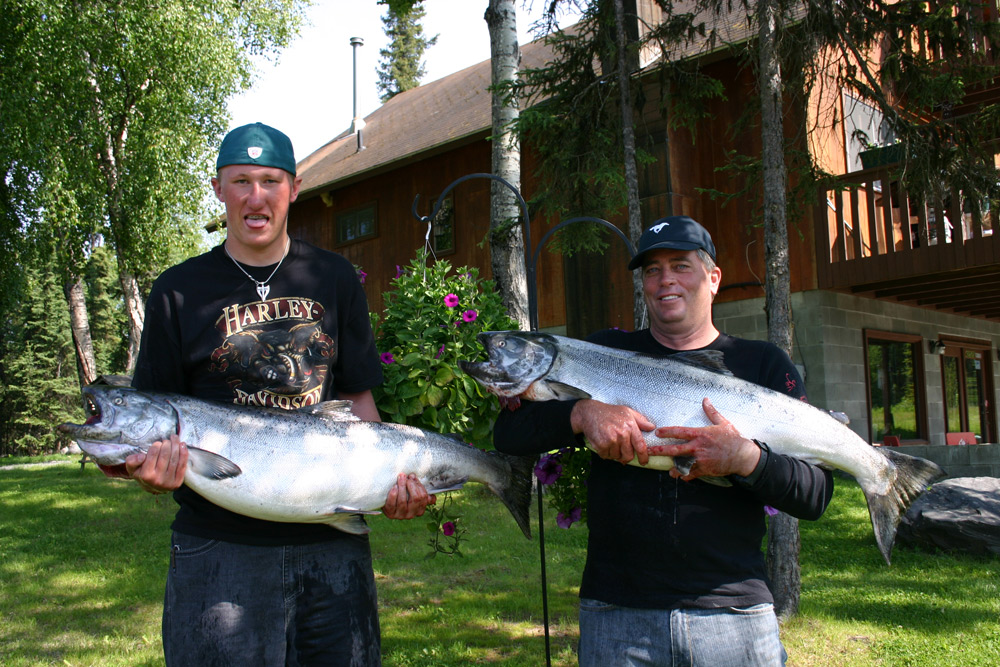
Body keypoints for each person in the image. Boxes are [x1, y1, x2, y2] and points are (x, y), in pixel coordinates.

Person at [125, 122, 433, 666]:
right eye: (240, 181)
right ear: (218, 189)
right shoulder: (177, 290)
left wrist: (390, 480)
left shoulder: (334, 278)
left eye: (270, 180)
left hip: (332, 544)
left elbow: (359, 402)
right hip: (217, 548)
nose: (255, 196)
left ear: (293, 189)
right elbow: (152, 420)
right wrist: (146, 472)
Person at [494, 216, 834, 666]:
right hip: (618, 613)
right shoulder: (603, 353)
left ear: (713, 278)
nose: (665, 280)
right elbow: (510, 434)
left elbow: (816, 494)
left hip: (733, 611)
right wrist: (581, 412)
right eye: (652, 270)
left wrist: (746, 459)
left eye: (680, 265)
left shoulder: (763, 365)